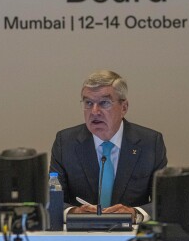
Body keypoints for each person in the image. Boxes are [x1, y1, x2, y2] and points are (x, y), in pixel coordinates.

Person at [49, 70, 167, 223]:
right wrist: (74, 212)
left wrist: (135, 213)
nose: (94, 111)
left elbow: (165, 200)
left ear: (124, 107)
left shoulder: (150, 143)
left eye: (104, 103)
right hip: (82, 234)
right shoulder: (65, 142)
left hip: (131, 234)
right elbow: (51, 198)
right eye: (88, 103)